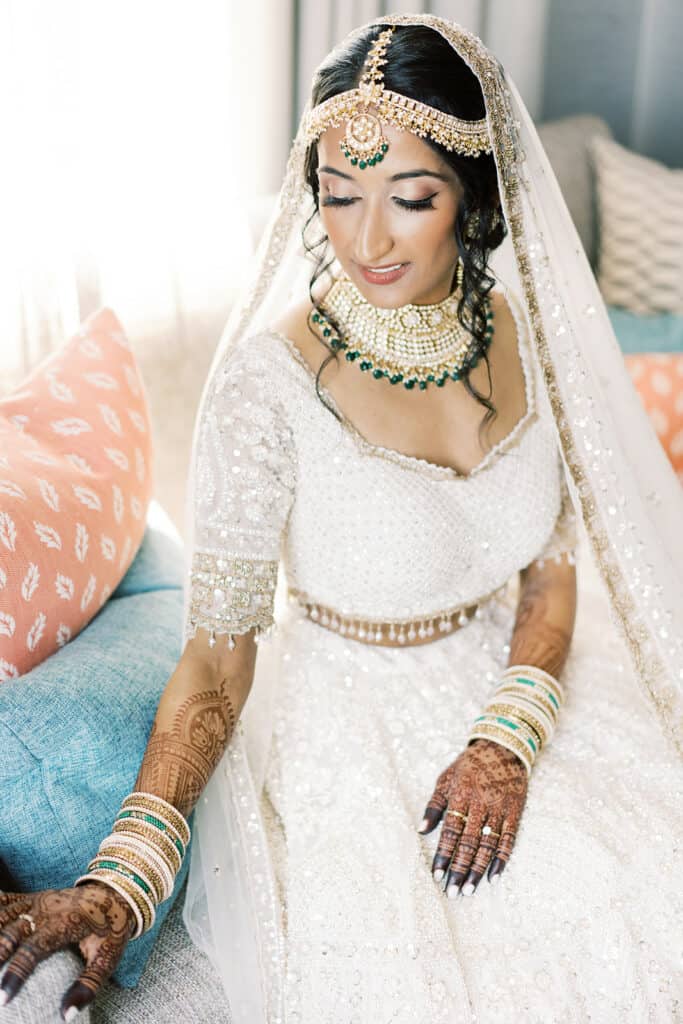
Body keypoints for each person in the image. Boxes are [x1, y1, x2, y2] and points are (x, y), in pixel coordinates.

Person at [1, 13, 682, 1024]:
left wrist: (505, 737)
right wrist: (123, 873)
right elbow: (216, 655)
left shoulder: (526, 329)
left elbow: (549, 565)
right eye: (337, 193)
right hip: (354, 722)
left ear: (473, 196)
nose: (365, 238)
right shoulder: (264, 391)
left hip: (519, 680)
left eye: (409, 196)